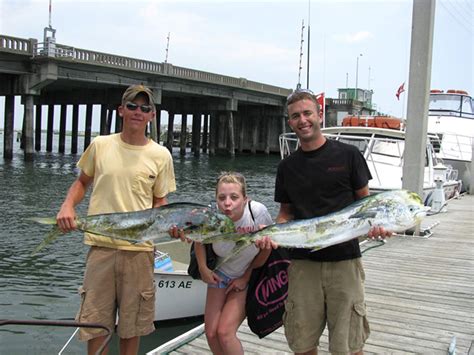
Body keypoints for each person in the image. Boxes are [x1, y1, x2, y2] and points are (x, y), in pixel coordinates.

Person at [56, 84, 176, 355]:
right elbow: (82, 182)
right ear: (121, 110)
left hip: (140, 252)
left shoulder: (161, 155)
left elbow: (160, 202)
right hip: (101, 248)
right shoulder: (100, 145)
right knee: (96, 324)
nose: (138, 112)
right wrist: (67, 206)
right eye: (132, 106)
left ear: (152, 116)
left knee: (132, 327)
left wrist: (172, 224)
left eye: (145, 108)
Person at [272, 89, 392, 355]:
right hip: (303, 265)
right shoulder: (286, 167)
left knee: (348, 345)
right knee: (302, 343)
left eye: (307, 113)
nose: (302, 120)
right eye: (295, 116)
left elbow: (366, 205)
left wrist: (378, 227)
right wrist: (272, 231)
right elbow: (285, 213)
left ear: (319, 115)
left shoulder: (349, 156)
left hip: (345, 262)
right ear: (289, 122)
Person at [195, 172, 273, 354]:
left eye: (234, 197)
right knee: (211, 332)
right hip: (221, 274)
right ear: (216, 200)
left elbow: (267, 249)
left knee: (225, 333)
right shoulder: (211, 216)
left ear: (245, 199)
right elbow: (199, 240)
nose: (227, 203)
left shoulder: (257, 213)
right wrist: (203, 268)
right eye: (222, 198)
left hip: (249, 274)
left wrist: (245, 278)